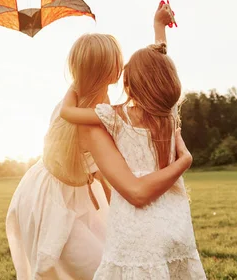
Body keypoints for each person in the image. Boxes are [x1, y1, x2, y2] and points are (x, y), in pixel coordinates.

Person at [5, 4, 194, 280]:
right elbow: (157, 83)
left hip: (84, 192)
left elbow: (157, 79)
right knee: (88, 268)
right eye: (118, 60)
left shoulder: (100, 108)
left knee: (111, 261)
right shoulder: (91, 116)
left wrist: (158, 29)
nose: (123, 64)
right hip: (52, 196)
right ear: (111, 70)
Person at [59, 36, 207, 279]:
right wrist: (159, 31)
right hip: (174, 220)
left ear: (128, 84)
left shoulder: (117, 116)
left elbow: (68, 112)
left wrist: (77, 83)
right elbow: (159, 67)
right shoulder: (168, 116)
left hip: (135, 225)